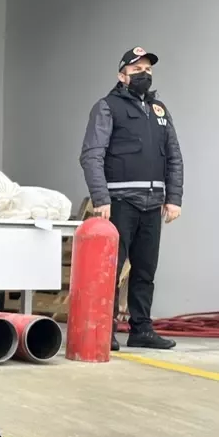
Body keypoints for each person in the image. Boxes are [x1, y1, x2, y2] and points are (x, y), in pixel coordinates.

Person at [78, 46, 183, 352]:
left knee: (145, 271)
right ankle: (105, 330)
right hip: (119, 202)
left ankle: (142, 330)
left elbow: (174, 157)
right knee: (110, 270)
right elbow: (91, 155)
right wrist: (101, 198)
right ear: (121, 76)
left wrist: (174, 198)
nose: (144, 75)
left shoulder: (159, 110)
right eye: (137, 70)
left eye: (148, 70)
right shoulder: (107, 107)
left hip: (153, 203)